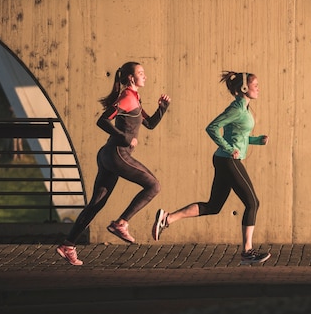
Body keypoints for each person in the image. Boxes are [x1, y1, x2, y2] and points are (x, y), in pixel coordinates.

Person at [56, 61, 171, 265]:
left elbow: (150, 124)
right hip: (117, 154)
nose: (145, 76)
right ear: (130, 78)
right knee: (154, 186)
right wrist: (124, 139)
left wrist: (162, 109)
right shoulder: (127, 97)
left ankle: (68, 245)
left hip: (109, 155)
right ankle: (121, 223)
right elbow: (102, 120)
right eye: (141, 73)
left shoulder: (135, 98)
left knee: (96, 204)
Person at [152, 71, 270, 265]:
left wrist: (257, 140)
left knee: (214, 206)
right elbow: (212, 127)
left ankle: (167, 218)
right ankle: (247, 252)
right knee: (253, 202)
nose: (258, 88)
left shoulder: (245, 109)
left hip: (225, 159)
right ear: (243, 88)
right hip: (228, 160)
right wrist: (229, 148)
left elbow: (238, 136)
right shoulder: (237, 108)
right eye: (255, 84)